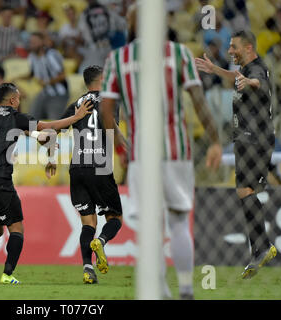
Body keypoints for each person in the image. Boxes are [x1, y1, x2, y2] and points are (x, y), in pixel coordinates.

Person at [100, 5, 222, 299]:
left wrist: (119, 145)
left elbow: (106, 111)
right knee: (180, 221)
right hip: (177, 150)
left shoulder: (118, 58)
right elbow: (198, 100)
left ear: (131, 25)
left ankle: (160, 291)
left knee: (151, 229)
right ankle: (187, 290)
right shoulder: (179, 54)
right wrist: (215, 139)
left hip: (142, 153)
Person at [0, 82, 93, 284]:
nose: (19, 101)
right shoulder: (14, 117)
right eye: (18, 98)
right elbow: (49, 127)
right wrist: (76, 117)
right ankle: (7, 275)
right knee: (16, 229)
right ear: (12, 100)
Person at [195, 30, 277, 279]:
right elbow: (239, 76)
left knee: (245, 190)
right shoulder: (251, 67)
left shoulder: (256, 71)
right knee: (246, 191)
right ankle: (261, 248)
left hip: (253, 139)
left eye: (234, 47)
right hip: (252, 138)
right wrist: (216, 70)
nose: (230, 51)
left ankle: (262, 248)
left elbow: (257, 82)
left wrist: (248, 84)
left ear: (249, 48)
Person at [56, 65, 124, 284]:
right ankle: (102, 242)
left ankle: (87, 269)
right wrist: (127, 149)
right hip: (100, 165)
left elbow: (52, 131)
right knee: (114, 218)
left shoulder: (77, 104)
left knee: (88, 223)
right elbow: (110, 127)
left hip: (77, 168)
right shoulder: (110, 100)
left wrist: (49, 156)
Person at [21, 32, 69, 120]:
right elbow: (31, 74)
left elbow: (62, 75)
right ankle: (33, 133)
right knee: (31, 119)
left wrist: (47, 82)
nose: (31, 44)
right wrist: (16, 78)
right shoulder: (32, 56)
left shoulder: (51, 54)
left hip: (58, 94)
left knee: (55, 123)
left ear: (42, 42)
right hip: (44, 92)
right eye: (31, 42)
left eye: (34, 42)